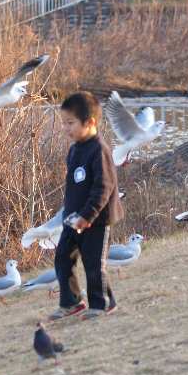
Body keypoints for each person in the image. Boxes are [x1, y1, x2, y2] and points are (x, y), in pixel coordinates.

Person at [50, 92, 124, 320]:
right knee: (62, 257)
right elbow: (75, 187)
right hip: (73, 218)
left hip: (96, 220)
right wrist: (71, 214)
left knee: (93, 264)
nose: (65, 128)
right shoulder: (75, 149)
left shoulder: (99, 150)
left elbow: (104, 187)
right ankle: (71, 302)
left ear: (90, 122)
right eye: (64, 123)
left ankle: (101, 304)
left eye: (70, 123)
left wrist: (88, 216)